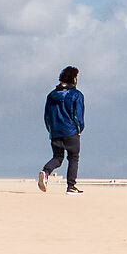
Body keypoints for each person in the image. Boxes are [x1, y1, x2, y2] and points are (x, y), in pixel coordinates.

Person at [38, 66, 84, 194]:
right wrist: (79, 129)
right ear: (73, 78)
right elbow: (78, 115)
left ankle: (46, 171)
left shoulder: (51, 95)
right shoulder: (76, 94)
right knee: (73, 158)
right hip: (71, 131)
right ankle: (71, 186)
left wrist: (51, 130)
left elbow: (47, 116)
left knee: (58, 157)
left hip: (55, 132)